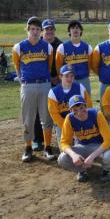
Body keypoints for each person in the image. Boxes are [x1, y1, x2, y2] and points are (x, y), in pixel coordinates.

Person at [12, 17, 55, 162]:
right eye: (32, 29)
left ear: (41, 31)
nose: (35, 32)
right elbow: (17, 67)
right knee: (28, 119)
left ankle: (47, 148)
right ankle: (28, 148)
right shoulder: (19, 47)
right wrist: (23, 80)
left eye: (38, 29)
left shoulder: (47, 47)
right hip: (28, 85)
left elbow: (48, 67)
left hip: (44, 84)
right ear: (28, 30)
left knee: (46, 118)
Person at [58, 95, 110, 182]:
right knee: (62, 158)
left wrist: (91, 157)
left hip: (99, 146)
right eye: (75, 110)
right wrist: (73, 155)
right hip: (82, 147)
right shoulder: (69, 118)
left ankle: (106, 171)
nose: (79, 112)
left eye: (82, 108)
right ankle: (82, 170)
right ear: (70, 111)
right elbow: (64, 143)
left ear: (86, 106)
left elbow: (109, 140)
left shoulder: (97, 114)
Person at [33, 19, 62, 151]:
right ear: (42, 31)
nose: (49, 31)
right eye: (46, 29)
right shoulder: (37, 44)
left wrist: (59, 77)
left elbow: (65, 64)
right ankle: (38, 139)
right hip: (42, 81)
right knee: (40, 111)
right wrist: (50, 77)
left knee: (61, 109)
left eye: (51, 29)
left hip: (59, 82)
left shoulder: (60, 45)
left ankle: (64, 136)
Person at [48, 65, 92, 149]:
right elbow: (54, 114)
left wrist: (82, 122)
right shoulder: (53, 92)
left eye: (72, 76)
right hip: (62, 124)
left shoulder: (80, 88)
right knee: (65, 153)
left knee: (82, 149)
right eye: (66, 76)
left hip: (79, 122)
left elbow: (88, 106)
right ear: (60, 76)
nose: (70, 78)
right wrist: (67, 127)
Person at [56, 20, 93, 95]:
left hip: (84, 79)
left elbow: (90, 65)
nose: (75, 30)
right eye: (72, 28)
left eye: (77, 28)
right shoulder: (62, 47)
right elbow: (58, 66)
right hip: (69, 80)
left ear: (81, 31)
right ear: (69, 31)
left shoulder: (87, 47)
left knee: (85, 103)